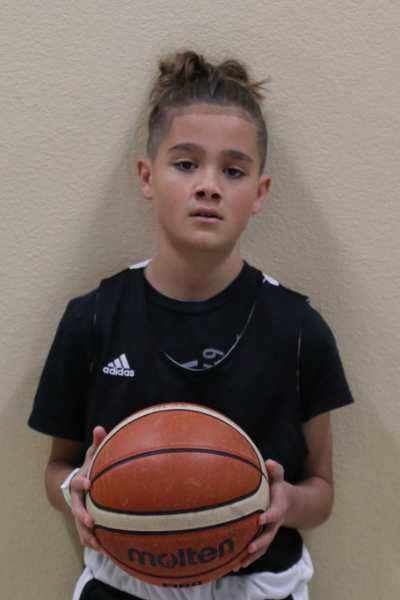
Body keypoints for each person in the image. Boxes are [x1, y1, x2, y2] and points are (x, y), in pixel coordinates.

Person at [28, 50, 353, 600]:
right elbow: (59, 467)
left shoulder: (300, 330)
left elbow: (320, 491)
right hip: (124, 583)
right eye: (185, 164)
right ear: (146, 177)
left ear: (260, 193)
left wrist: (286, 503)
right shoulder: (93, 318)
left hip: (259, 585)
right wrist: (74, 492)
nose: (209, 186)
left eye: (233, 170)